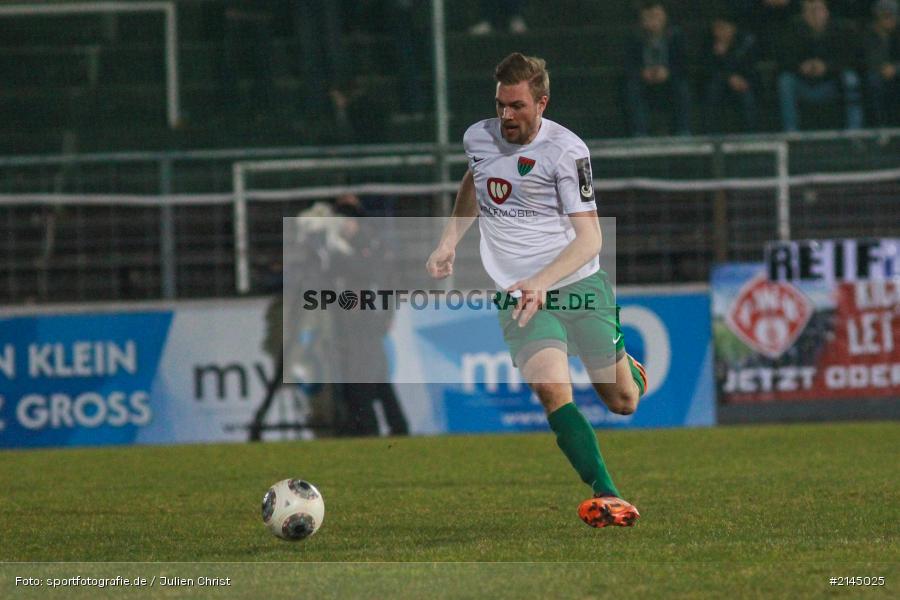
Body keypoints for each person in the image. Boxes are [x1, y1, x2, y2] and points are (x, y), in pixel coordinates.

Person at [426, 53, 647, 528]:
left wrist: (542, 282)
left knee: (622, 402)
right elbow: (475, 180)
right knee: (550, 390)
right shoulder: (478, 137)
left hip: (577, 284)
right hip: (518, 293)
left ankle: (628, 367)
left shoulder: (567, 152)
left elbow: (591, 237)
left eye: (517, 106)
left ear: (541, 103)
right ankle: (607, 494)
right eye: (501, 105)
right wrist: (449, 241)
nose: (506, 115)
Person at [775, 0, 864, 131]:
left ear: (826, 12)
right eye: (809, 11)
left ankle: (855, 132)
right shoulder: (792, 31)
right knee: (785, 81)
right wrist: (800, 67)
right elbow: (783, 60)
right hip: (803, 85)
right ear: (803, 15)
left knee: (851, 78)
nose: (814, 14)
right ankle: (791, 133)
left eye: (818, 10)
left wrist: (827, 67)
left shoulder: (840, 30)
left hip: (832, 84)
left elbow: (850, 60)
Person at [623, 1, 692, 136]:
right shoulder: (635, 38)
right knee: (632, 88)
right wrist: (643, 72)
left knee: (682, 88)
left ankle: (683, 130)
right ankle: (639, 132)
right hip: (644, 79)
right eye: (649, 17)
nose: (653, 21)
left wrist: (668, 72)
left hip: (670, 78)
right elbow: (629, 65)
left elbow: (682, 64)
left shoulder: (675, 36)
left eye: (656, 17)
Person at [701, 12, 760, 132]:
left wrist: (728, 56)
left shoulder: (746, 41)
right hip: (719, 84)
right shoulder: (709, 42)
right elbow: (707, 71)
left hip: (743, 82)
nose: (718, 32)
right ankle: (711, 135)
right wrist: (721, 59)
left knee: (747, 94)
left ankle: (751, 135)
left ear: (732, 28)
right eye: (716, 28)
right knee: (713, 88)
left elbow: (750, 69)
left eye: (722, 28)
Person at [864, 0, 900, 125]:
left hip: (896, 73)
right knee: (873, 81)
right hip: (876, 73)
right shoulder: (868, 34)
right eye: (885, 16)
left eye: (892, 16)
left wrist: (895, 68)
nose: (888, 20)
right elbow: (867, 59)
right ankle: (880, 126)